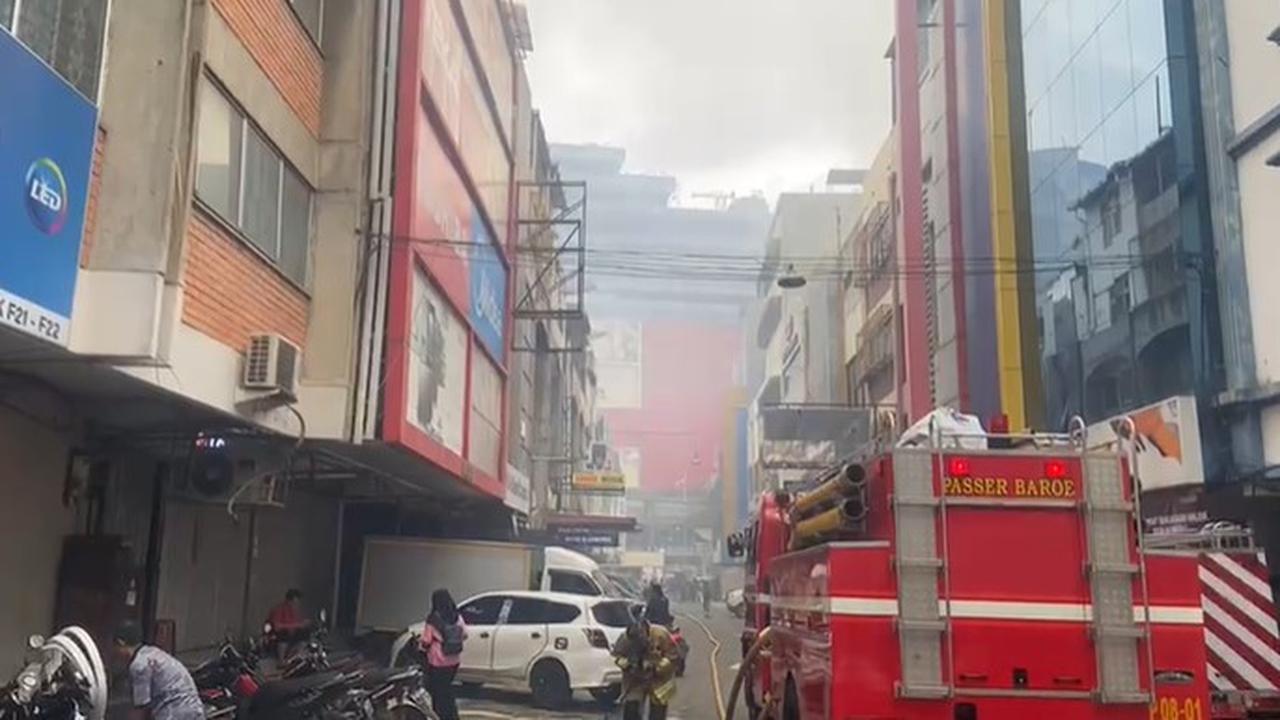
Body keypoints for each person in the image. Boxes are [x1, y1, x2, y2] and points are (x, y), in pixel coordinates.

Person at [113, 620, 204, 720]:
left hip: (174, 712)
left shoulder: (139, 665)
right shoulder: (152, 652)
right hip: (194, 709)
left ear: (120, 643)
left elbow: (141, 708)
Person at [611, 617, 680, 720]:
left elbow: (673, 656)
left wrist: (656, 667)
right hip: (635, 679)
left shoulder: (661, 634)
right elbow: (616, 656)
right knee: (631, 709)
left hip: (659, 679)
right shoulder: (625, 638)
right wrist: (628, 666)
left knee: (658, 711)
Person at [421, 589, 465, 720]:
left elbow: (426, 641)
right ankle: (452, 716)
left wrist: (424, 644)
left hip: (438, 661)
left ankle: (439, 716)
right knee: (447, 689)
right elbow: (465, 634)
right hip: (454, 661)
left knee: (437, 692)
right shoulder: (457, 616)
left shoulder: (433, 619)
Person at [265, 588, 311, 662]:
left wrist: (304, 624)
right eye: (294, 601)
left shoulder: (294, 611)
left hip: (291, 635)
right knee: (284, 634)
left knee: (305, 634)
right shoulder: (279, 609)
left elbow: (297, 623)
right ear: (289, 600)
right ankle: (281, 660)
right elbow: (277, 626)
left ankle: (293, 657)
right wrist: (297, 625)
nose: (296, 604)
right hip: (277, 636)